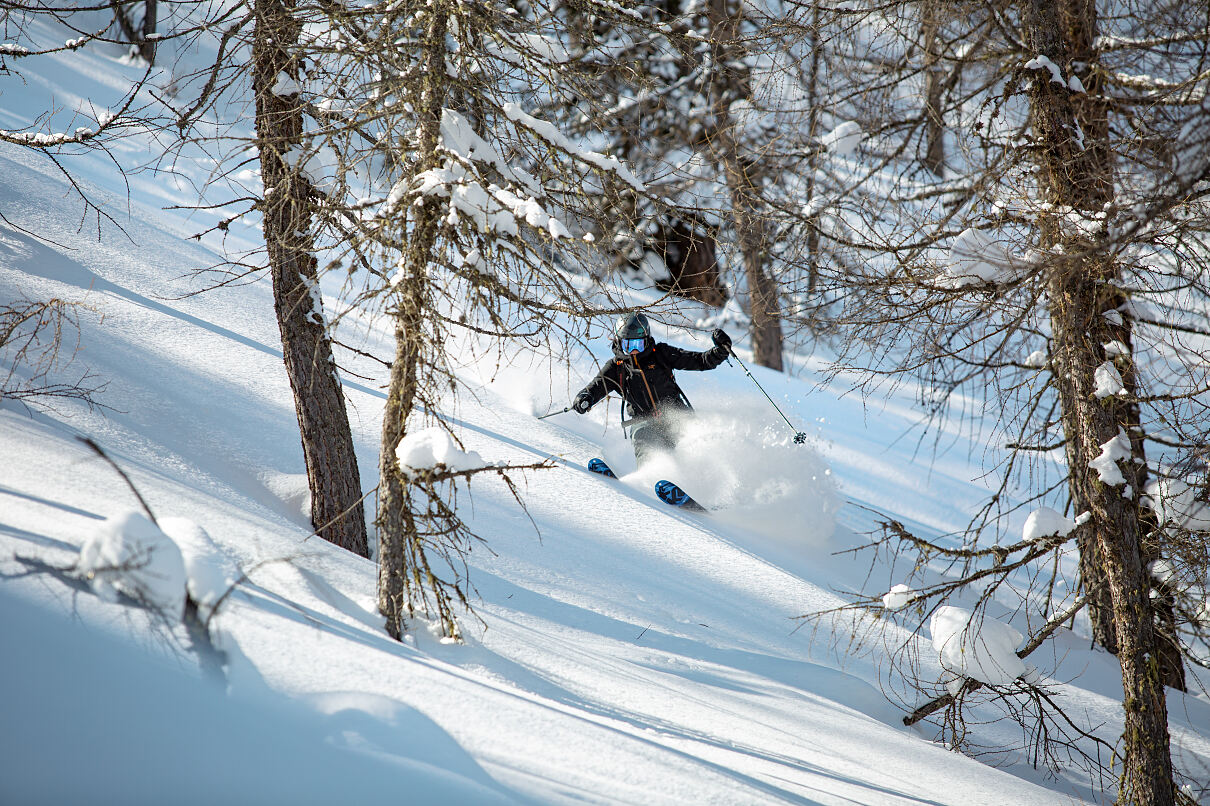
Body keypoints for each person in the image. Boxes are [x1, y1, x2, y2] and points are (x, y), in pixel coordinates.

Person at [572, 313, 731, 466]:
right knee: (645, 441)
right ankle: (651, 480)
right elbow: (597, 385)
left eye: (638, 344)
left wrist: (720, 351)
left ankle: (703, 479)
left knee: (695, 442)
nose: (633, 350)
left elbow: (700, 361)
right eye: (628, 345)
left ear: (646, 340)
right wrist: (585, 397)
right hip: (644, 421)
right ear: (619, 342)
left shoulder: (661, 353)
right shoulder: (616, 368)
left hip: (676, 414)